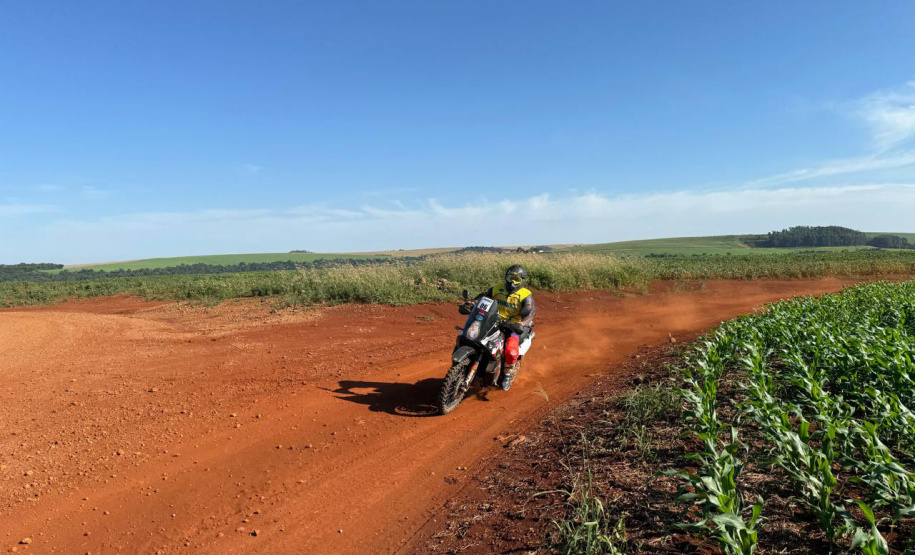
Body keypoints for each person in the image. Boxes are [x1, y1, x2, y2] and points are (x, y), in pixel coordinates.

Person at [463, 264, 535, 390]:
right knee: (475, 335)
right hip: (493, 320)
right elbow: (483, 297)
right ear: (506, 277)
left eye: (516, 279)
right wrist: (472, 303)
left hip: (512, 326)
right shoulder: (497, 288)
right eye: (510, 278)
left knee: (510, 350)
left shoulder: (525, 295)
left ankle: (507, 374)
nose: (512, 282)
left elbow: (530, 311)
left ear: (522, 281)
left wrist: (521, 324)